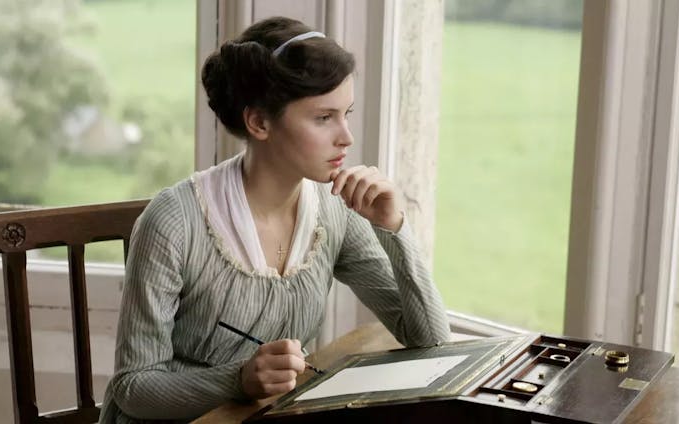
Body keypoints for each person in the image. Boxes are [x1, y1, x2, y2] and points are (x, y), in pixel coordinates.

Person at [99, 16, 450, 423]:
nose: (346, 137)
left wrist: (393, 228)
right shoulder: (173, 222)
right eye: (324, 118)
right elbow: (134, 388)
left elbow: (432, 341)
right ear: (259, 122)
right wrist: (240, 379)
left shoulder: (333, 210)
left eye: (346, 113)